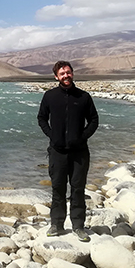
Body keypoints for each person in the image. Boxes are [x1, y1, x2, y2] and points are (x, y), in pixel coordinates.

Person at [37, 61, 99, 242]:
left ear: (73, 74)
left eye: (68, 72)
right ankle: (56, 224)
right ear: (56, 76)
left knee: (78, 189)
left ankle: (78, 226)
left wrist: (83, 137)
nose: (66, 76)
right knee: (58, 188)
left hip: (79, 152)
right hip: (57, 152)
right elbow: (41, 118)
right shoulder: (50, 96)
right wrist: (52, 136)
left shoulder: (84, 97)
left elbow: (94, 120)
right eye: (62, 73)